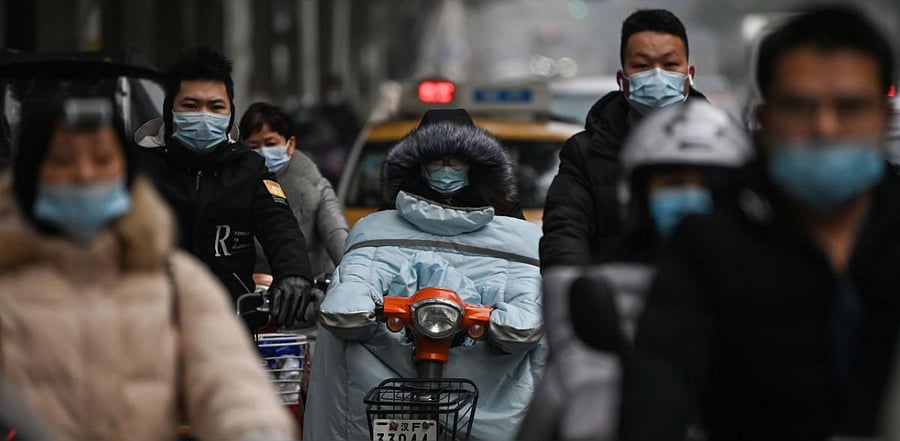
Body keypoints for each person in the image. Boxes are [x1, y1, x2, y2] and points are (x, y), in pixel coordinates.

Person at [621, 6, 900, 440]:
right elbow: (659, 392)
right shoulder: (708, 247)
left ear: (884, 121)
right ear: (764, 123)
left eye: (849, 107)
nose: (825, 128)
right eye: (800, 107)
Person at [0, 97, 296, 441]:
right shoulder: (8, 285)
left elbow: (228, 378)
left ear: (125, 173)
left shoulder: (174, 280)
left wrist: (256, 430)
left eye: (102, 158)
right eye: (63, 159)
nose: (84, 173)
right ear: (30, 174)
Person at [517, 100, 753, 441]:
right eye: (672, 182)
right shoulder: (603, 302)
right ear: (639, 195)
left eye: (709, 185)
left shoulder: (778, 295)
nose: (690, 196)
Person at [303, 109, 545, 441]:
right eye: (436, 161)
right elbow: (357, 281)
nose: (446, 170)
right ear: (418, 165)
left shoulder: (517, 234)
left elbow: (525, 305)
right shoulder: (378, 229)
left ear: (475, 166)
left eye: (455, 161)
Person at [134, 47, 314, 328]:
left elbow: (280, 226)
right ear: (170, 109)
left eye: (215, 107)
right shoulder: (139, 169)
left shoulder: (251, 169)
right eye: (191, 106)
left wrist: (294, 275)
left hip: (230, 323)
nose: (204, 116)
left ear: (230, 113)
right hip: (150, 324)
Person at [540, 9, 706, 268]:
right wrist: (579, 291)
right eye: (642, 66)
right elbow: (565, 229)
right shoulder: (585, 152)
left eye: (670, 64)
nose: (657, 75)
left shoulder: (723, 149)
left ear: (689, 74)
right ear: (622, 79)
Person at [239, 102, 349, 277]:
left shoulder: (316, 187)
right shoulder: (234, 188)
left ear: (290, 144)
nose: (262, 152)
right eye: (253, 146)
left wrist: (353, 275)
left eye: (270, 143)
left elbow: (336, 234)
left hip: (310, 294)